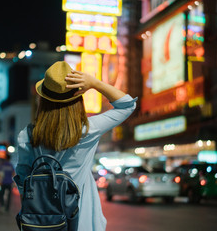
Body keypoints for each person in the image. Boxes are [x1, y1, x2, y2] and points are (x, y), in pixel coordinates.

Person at [14, 61, 137, 231]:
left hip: (41, 223)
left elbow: (22, 179)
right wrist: (95, 83)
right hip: (82, 221)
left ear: (43, 99)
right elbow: (127, 105)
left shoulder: (27, 135)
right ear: (78, 97)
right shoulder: (88, 130)